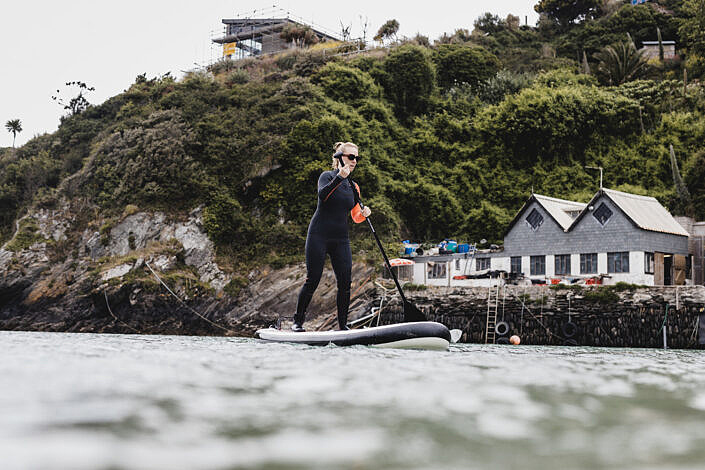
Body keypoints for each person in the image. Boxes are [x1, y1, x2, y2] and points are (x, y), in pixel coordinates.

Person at [293, 141, 371, 332]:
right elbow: (323, 195)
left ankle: (342, 326)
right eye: (350, 157)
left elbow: (355, 216)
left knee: (345, 283)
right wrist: (339, 178)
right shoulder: (326, 177)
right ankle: (297, 323)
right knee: (313, 279)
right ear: (339, 158)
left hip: (340, 240)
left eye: (356, 158)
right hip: (318, 235)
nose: (354, 161)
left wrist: (365, 214)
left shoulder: (354, 187)